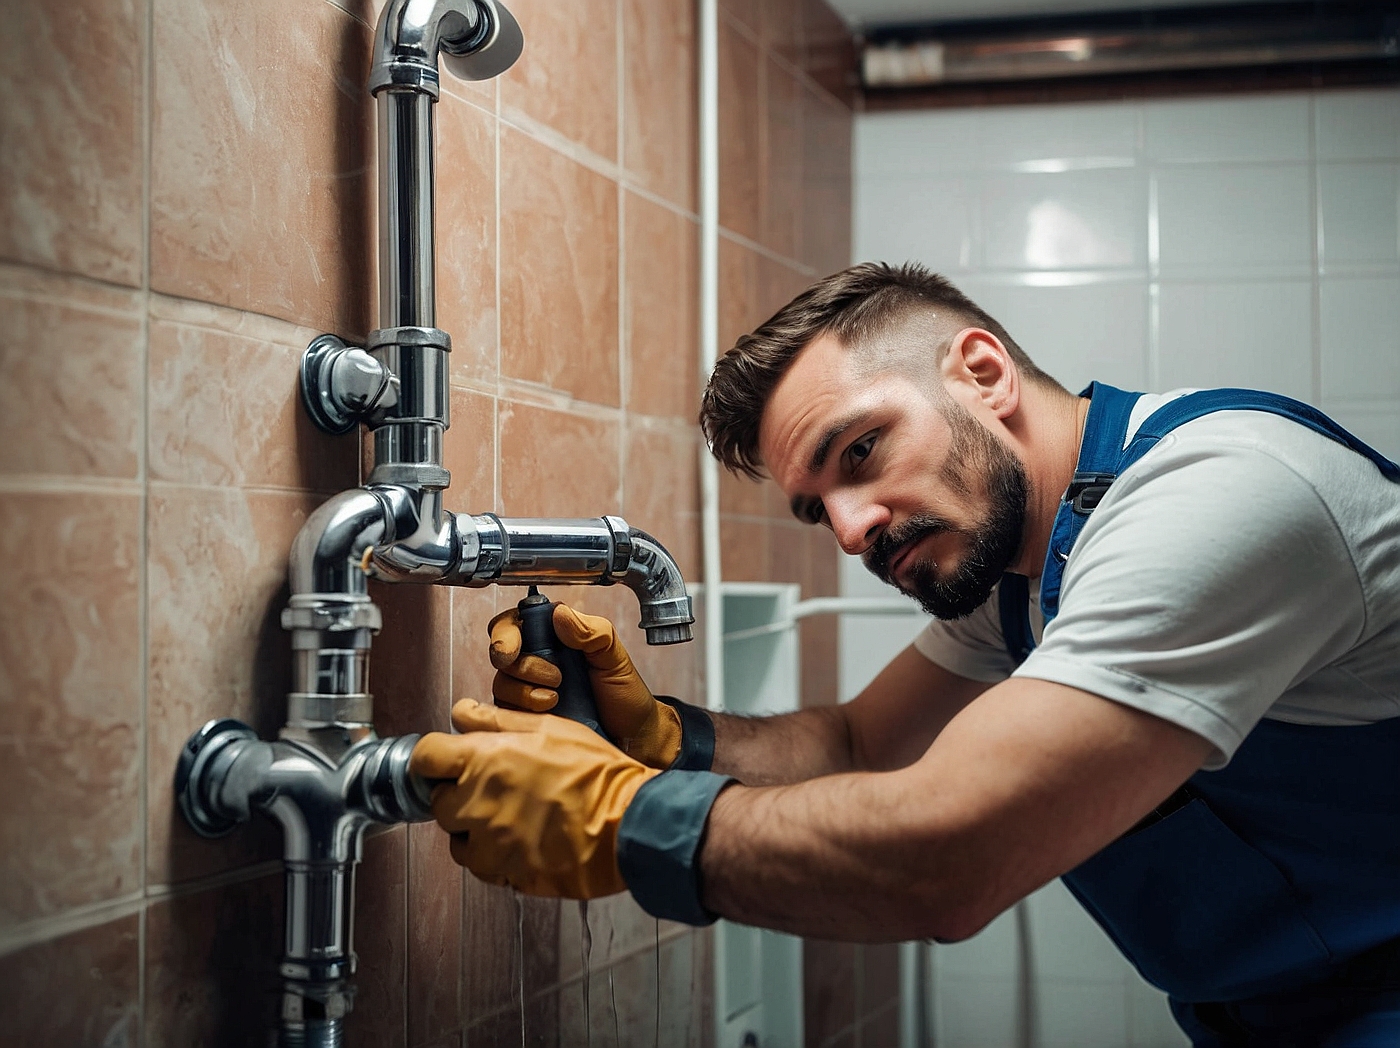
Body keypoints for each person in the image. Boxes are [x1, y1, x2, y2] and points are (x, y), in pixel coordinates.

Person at [410, 262, 1400, 1046]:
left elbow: (948, 856)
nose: (846, 530)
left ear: (981, 372)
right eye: (816, 506)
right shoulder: (1016, 568)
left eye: (858, 452)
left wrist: (619, 816)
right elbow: (855, 743)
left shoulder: (1218, 495)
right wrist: (669, 737)